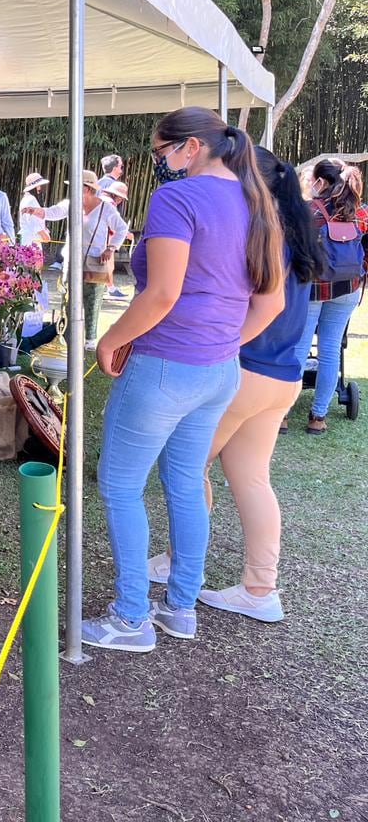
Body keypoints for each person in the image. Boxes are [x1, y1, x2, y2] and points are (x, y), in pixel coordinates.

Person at [83, 106, 285, 654]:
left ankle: (130, 617)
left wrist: (109, 339)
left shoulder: (177, 198)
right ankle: (180, 607)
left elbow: (163, 293)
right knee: (186, 484)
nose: (159, 161)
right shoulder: (258, 202)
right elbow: (271, 303)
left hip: (165, 366)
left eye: (160, 151)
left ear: (190, 147)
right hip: (220, 372)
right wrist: (221, 344)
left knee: (121, 486)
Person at [147, 147, 324, 623]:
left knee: (186, 469)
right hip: (283, 377)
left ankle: (179, 563)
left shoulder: (260, 234)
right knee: (251, 479)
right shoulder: (294, 233)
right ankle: (260, 589)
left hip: (245, 372)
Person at [292, 159, 368, 434]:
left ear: (321, 182)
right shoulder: (361, 212)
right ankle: (318, 417)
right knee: (331, 350)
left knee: (299, 348)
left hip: (312, 288)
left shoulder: (307, 211)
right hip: (348, 288)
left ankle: (283, 413)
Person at [40, 171, 128, 348]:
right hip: (71, 260)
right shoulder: (71, 204)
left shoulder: (106, 208)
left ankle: (90, 340)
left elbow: (122, 228)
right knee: (68, 298)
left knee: (92, 300)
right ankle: (66, 336)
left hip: (95, 261)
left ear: (87, 189)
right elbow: (54, 212)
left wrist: (111, 248)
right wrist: (38, 211)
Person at [100, 181, 133, 299]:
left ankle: (110, 288)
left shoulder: (100, 200)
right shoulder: (109, 204)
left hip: (100, 238)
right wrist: (126, 234)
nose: (121, 200)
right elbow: (114, 225)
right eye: (121, 197)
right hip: (103, 239)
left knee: (106, 265)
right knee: (107, 265)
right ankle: (109, 289)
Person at [18, 172, 52, 247]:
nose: (41, 188)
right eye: (40, 185)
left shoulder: (26, 199)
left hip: (27, 238)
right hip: (31, 240)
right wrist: (44, 235)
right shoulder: (31, 199)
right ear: (36, 186)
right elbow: (33, 221)